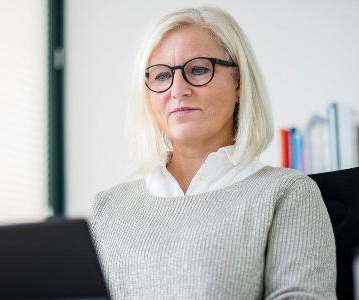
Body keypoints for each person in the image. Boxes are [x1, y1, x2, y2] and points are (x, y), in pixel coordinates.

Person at [89, 6, 337, 300]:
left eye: (198, 69)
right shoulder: (105, 209)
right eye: (160, 76)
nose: (177, 89)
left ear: (239, 83)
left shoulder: (286, 193)